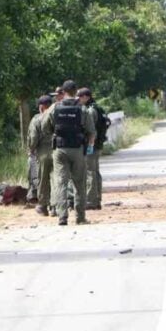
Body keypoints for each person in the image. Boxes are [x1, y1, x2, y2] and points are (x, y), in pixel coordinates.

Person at [42, 80, 96, 225]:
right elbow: (91, 132)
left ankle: (62, 216)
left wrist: (54, 134)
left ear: (63, 92)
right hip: (78, 149)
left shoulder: (55, 107)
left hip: (60, 149)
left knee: (61, 183)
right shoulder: (82, 108)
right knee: (79, 183)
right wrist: (89, 146)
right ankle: (80, 217)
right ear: (76, 91)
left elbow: (44, 126)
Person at [77, 87, 110, 210]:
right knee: (95, 171)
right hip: (98, 144)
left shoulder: (90, 111)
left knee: (90, 172)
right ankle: (97, 198)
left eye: (80, 96)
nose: (78, 99)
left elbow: (89, 129)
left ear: (86, 97)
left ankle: (91, 201)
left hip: (91, 145)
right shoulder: (98, 108)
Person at [28, 95, 55, 216]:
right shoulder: (56, 116)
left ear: (41, 106)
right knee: (56, 179)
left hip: (43, 153)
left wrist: (31, 149)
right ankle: (56, 206)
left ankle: (43, 205)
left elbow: (33, 138)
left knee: (43, 180)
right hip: (57, 151)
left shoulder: (36, 119)